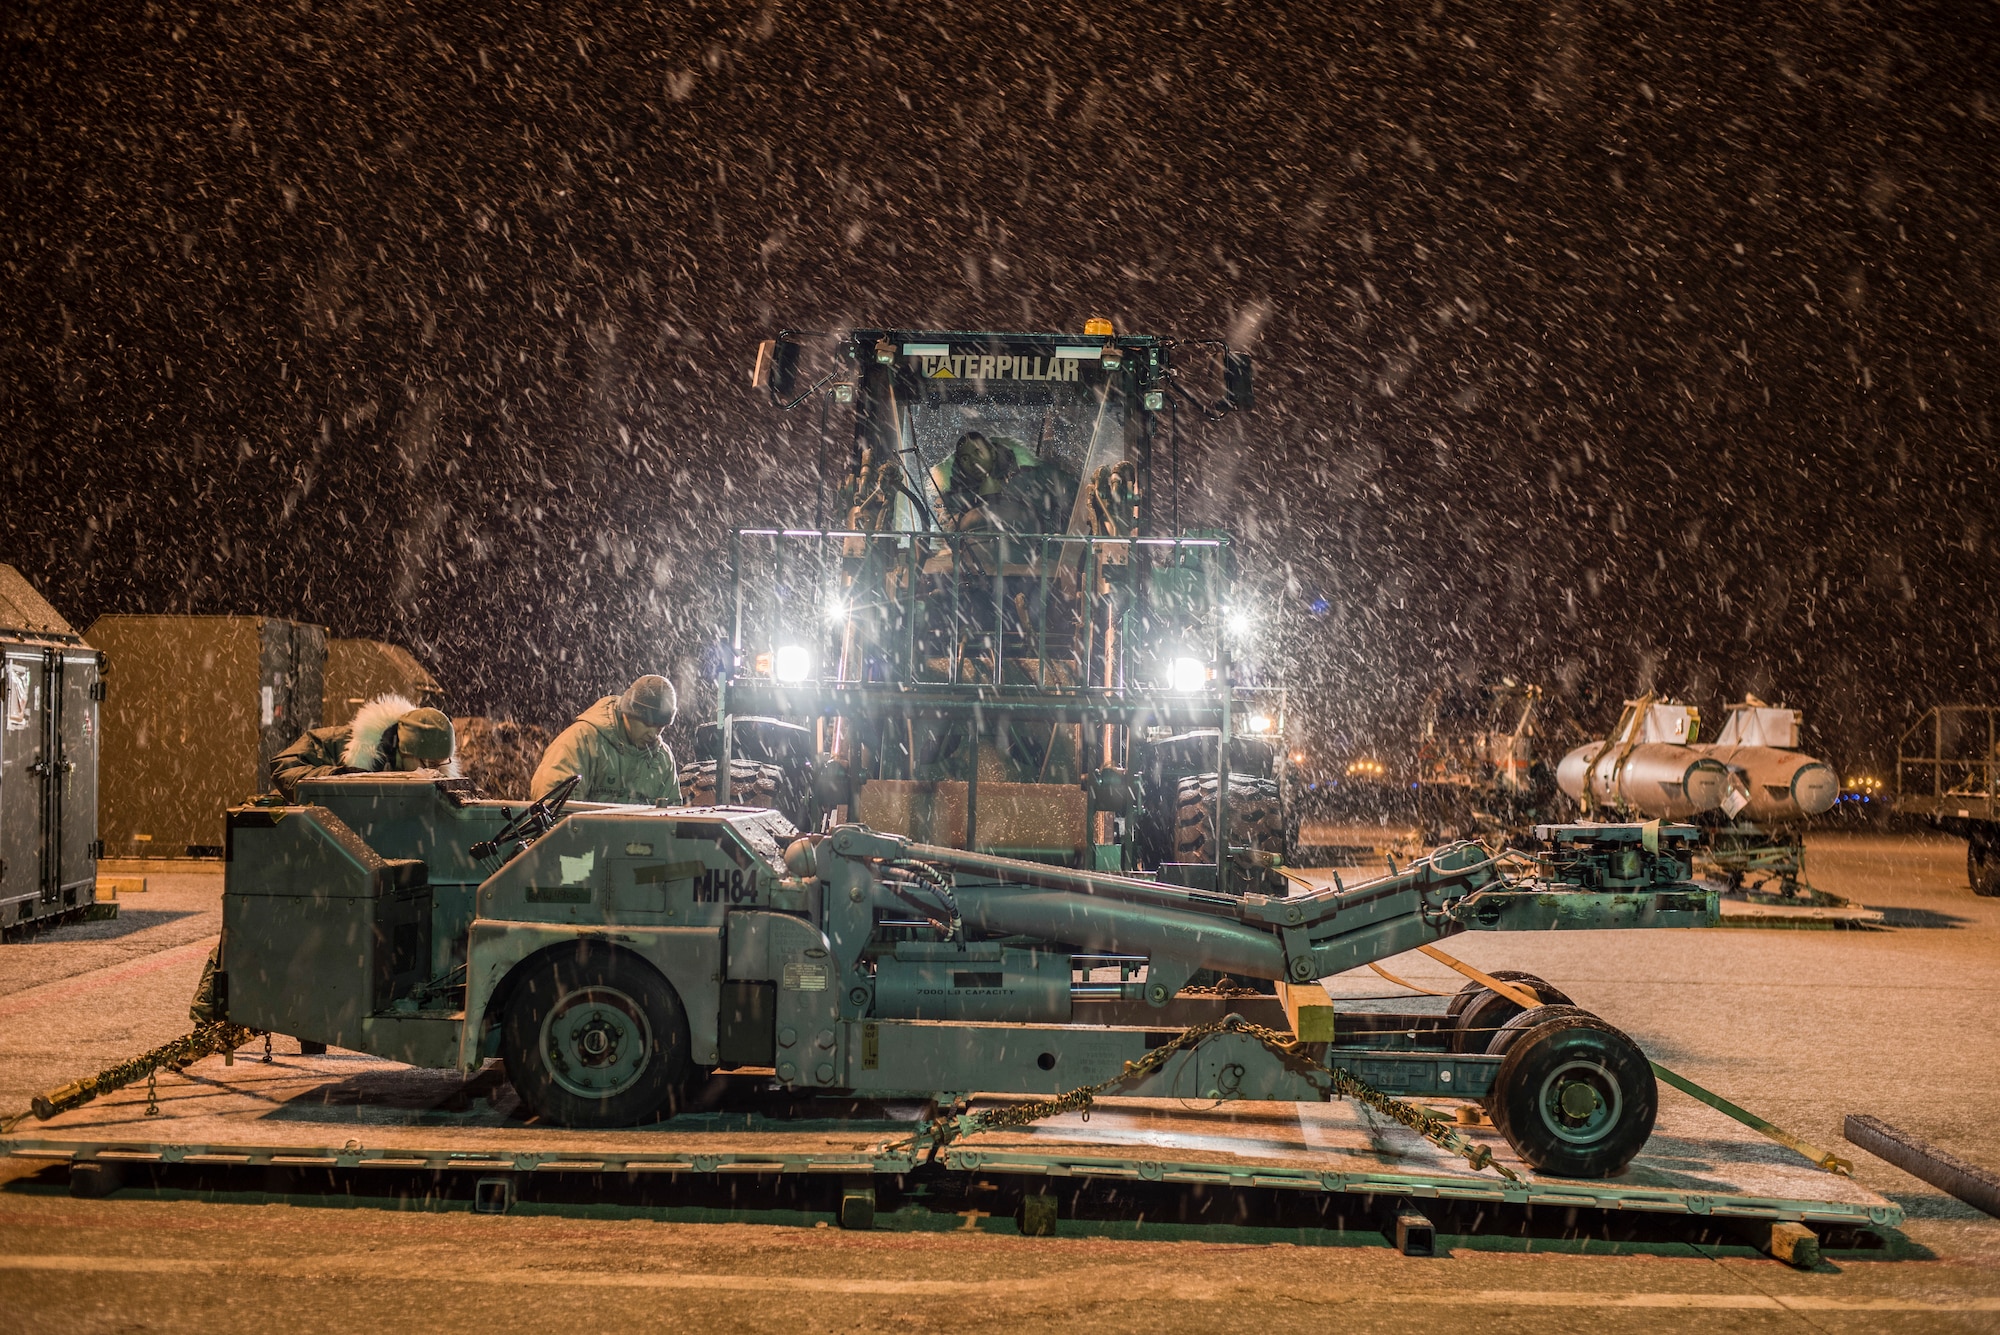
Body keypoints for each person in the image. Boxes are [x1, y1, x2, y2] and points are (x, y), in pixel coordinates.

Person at [270, 694, 457, 800]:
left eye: (440, 764)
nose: (435, 771)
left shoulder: (429, 772)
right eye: (429, 763)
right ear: (406, 751)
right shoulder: (338, 742)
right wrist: (339, 778)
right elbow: (284, 767)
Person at [530, 673, 681, 804]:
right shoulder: (582, 741)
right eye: (648, 723)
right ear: (628, 713)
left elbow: (671, 824)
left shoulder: (662, 760)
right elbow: (553, 809)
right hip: (582, 837)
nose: (653, 734)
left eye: (661, 727)